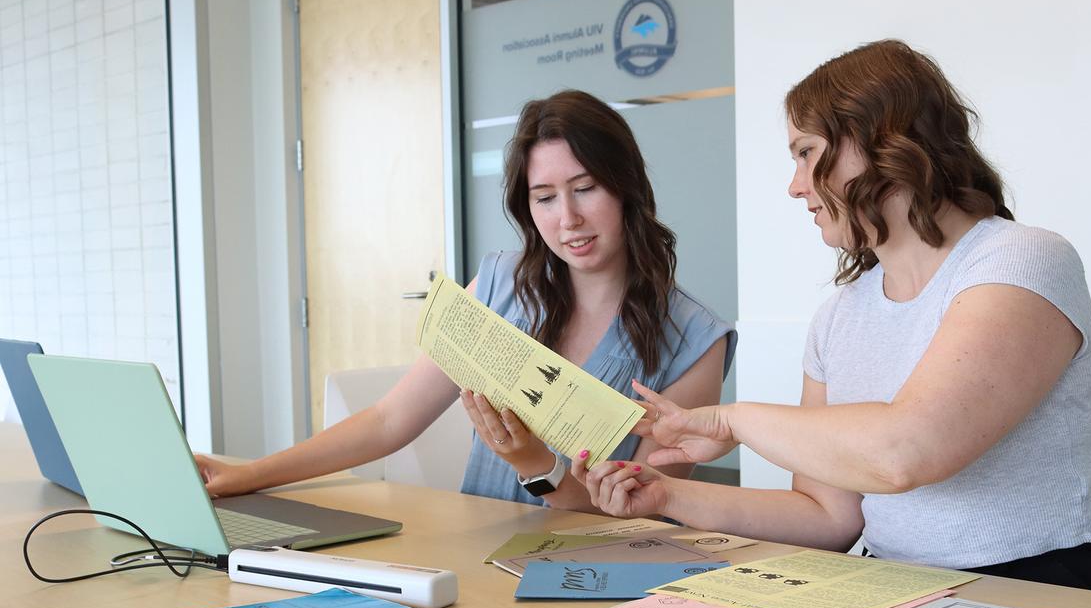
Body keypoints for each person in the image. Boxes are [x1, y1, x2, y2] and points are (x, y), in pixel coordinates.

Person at [574, 40, 1091, 600]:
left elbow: (905, 451)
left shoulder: (1023, 258)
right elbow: (828, 517)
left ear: (878, 140)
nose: (794, 186)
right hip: (904, 593)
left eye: (806, 153)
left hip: (1051, 589)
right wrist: (666, 494)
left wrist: (732, 420)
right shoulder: (841, 316)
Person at [195, 90, 735, 511]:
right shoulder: (501, 284)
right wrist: (247, 474)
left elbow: (642, 513)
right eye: (544, 198)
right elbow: (388, 421)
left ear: (626, 187)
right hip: (477, 546)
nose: (567, 218)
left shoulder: (695, 338)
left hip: (593, 572)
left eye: (586, 188)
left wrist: (538, 467)